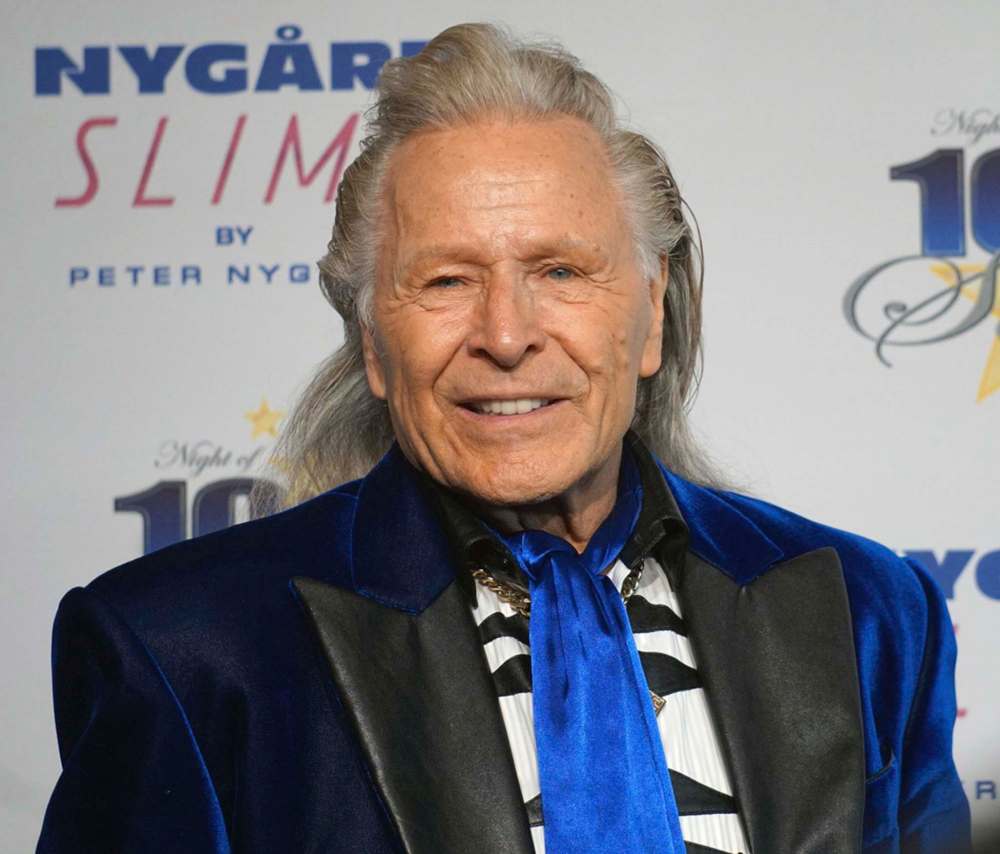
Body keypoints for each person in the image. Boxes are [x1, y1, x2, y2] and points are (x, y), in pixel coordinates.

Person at [37, 23, 970, 854]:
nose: (508, 334)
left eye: (560, 271)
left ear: (650, 315)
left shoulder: (870, 613)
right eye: (446, 281)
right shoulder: (185, 650)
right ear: (372, 340)